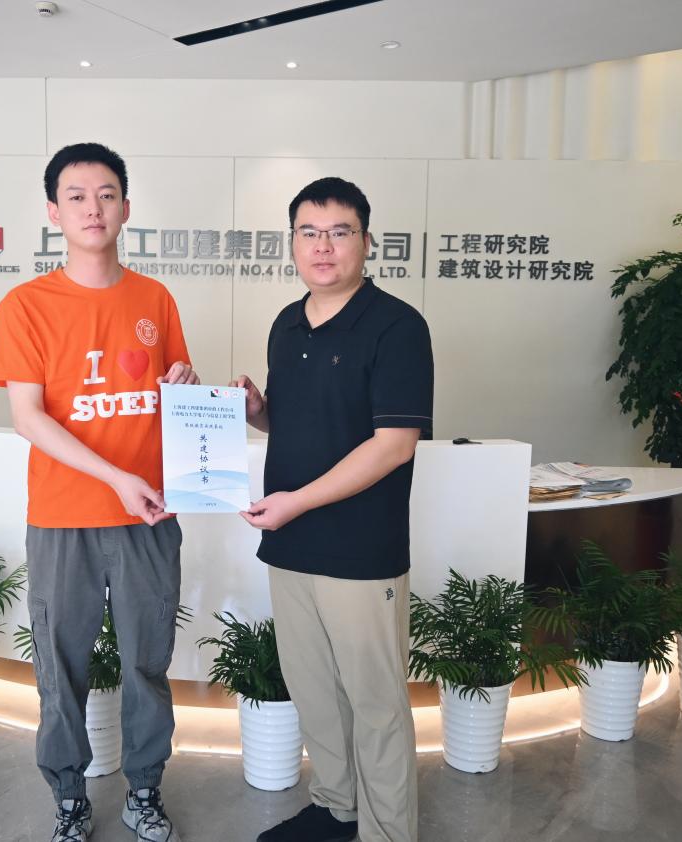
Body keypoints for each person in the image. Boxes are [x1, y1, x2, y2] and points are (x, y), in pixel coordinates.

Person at [0, 142, 196, 842]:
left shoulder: (154, 299)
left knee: (147, 663)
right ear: (53, 211)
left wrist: (186, 388)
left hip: (149, 517)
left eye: (106, 194)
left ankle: (144, 791)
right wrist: (115, 479)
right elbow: (28, 417)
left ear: (126, 207)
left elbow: (170, 399)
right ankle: (69, 797)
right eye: (76, 196)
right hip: (63, 520)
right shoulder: (26, 305)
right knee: (61, 667)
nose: (92, 208)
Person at [233, 177, 434, 842]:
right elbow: (296, 422)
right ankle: (335, 806)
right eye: (309, 233)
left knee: (375, 704)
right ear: (292, 243)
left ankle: (386, 832)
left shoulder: (397, 326)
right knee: (314, 690)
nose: (323, 246)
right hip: (290, 544)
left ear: (366, 242)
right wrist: (257, 411)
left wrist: (295, 503)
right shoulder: (286, 323)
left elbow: (393, 445)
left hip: (360, 550)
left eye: (339, 232)